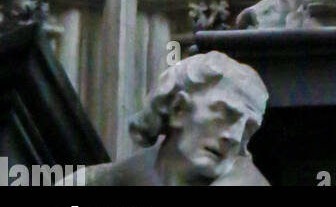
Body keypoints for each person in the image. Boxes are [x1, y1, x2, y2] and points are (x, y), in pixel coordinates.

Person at [69, 52, 269, 186]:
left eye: (247, 129)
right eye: (225, 115)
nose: (234, 136)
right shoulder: (98, 181)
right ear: (178, 109)